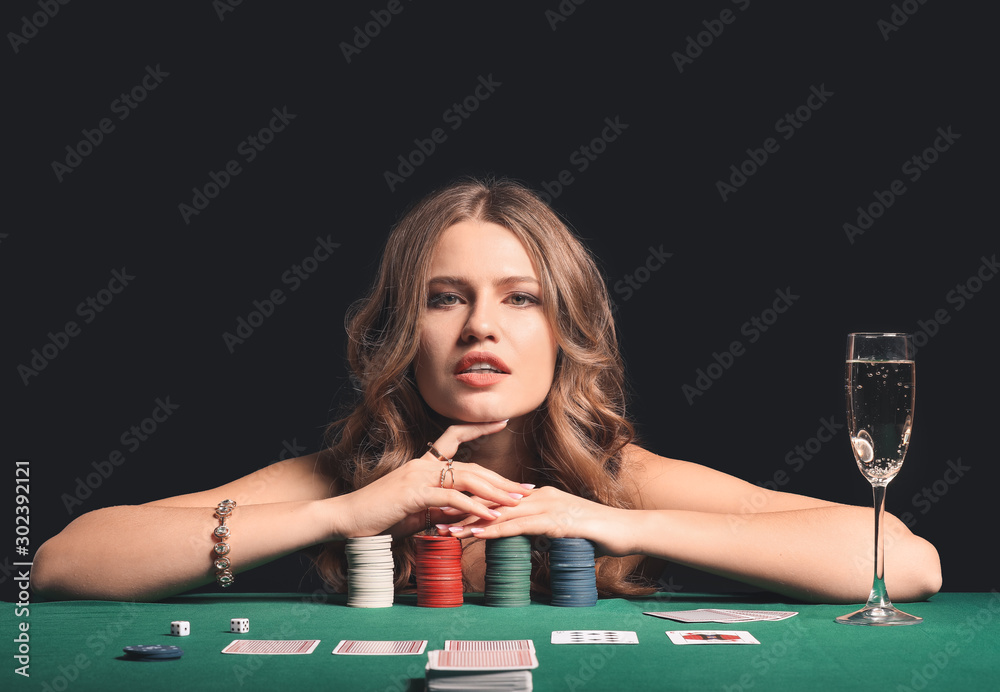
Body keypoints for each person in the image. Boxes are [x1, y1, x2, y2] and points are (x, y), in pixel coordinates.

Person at [32, 178, 942, 604]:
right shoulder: (338, 479)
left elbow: (904, 561)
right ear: (402, 332)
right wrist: (342, 514)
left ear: (563, 333)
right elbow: (63, 563)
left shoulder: (619, 478)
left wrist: (615, 522)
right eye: (444, 299)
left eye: (521, 300)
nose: (480, 329)